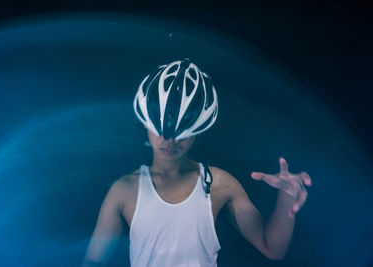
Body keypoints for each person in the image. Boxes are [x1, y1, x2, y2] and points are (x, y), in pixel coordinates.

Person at [82, 59, 312, 267]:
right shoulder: (124, 190)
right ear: (146, 124)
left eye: (182, 130)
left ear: (198, 130)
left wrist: (287, 196)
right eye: (161, 129)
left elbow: (273, 249)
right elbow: (93, 261)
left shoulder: (218, 183)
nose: (169, 140)